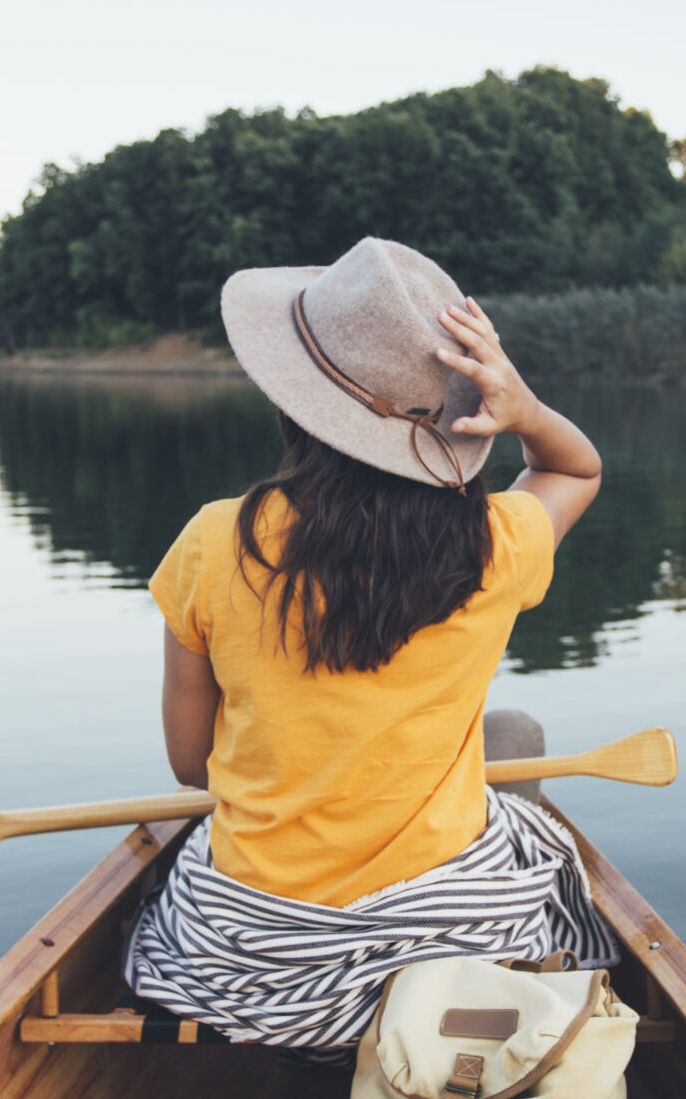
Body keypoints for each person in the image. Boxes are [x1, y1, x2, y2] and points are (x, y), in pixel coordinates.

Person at [123, 236, 618, 1049]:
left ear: (292, 401)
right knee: (518, 762)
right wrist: (525, 407)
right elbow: (577, 469)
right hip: (445, 935)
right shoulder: (499, 541)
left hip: (260, 948)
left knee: (507, 737)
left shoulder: (216, 541)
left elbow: (191, 765)